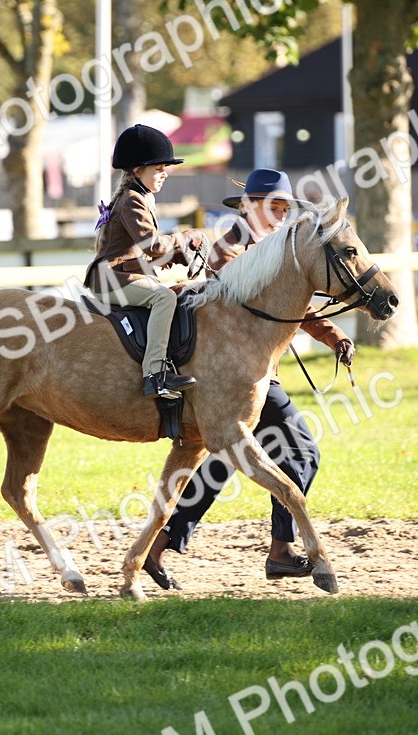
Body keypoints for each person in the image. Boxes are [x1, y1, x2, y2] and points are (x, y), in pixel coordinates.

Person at [142, 169, 355, 590]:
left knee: (230, 460)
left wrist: (333, 334)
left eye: (283, 210)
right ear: (248, 207)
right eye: (272, 208)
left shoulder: (277, 249)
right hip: (227, 376)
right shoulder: (230, 250)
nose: (278, 217)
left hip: (257, 376)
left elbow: (294, 306)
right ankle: (276, 549)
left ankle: (168, 542)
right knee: (290, 451)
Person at [84, 124, 206, 398]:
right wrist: (183, 238)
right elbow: (152, 245)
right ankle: (155, 375)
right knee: (164, 298)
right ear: (138, 169)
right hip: (111, 279)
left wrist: (173, 256)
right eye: (159, 169)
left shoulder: (140, 196)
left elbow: (137, 253)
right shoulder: (132, 199)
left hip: (121, 273)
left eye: (166, 168)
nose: (165, 174)